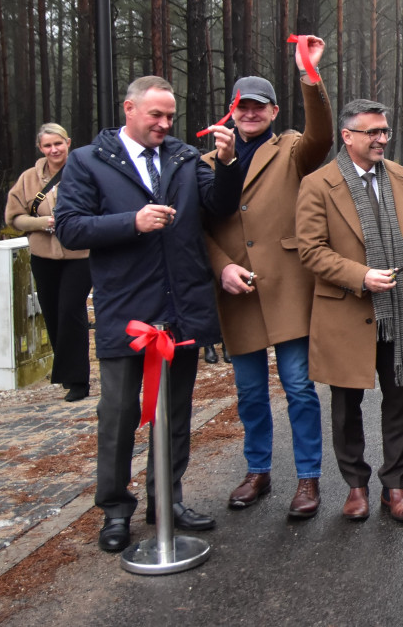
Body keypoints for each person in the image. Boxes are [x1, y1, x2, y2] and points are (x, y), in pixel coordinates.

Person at [54, 75, 242, 552]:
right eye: (155, 115)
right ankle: (116, 510)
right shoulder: (88, 161)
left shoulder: (182, 158)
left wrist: (225, 162)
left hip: (180, 309)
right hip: (126, 310)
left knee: (175, 413)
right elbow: (70, 229)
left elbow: (219, 206)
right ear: (129, 109)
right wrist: (131, 222)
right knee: (117, 413)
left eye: (170, 117)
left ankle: (167, 500)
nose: (164, 124)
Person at [295, 98, 403, 523]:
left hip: (399, 310)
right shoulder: (319, 184)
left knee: (402, 400)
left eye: (385, 131)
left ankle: (394, 487)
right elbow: (311, 251)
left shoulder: (401, 177)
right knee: (346, 406)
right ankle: (355, 487)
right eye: (372, 132)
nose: (382, 139)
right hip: (346, 312)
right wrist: (360, 276)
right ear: (347, 136)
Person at [201, 36, 333, 517]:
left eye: (260, 107)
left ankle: (308, 478)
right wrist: (222, 268)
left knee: (298, 386)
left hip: (288, 286)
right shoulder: (208, 161)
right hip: (238, 291)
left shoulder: (293, 148)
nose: (251, 114)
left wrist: (309, 74)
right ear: (231, 110)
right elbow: (201, 227)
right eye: (243, 106)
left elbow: (322, 134)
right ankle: (257, 470)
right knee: (250, 391)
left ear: (274, 112)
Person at [5, 123, 91, 403]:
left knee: (70, 310)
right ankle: (67, 374)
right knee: (52, 313)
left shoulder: (85, 170)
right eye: (47, 146)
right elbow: (14, 217)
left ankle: (78, 380)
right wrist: (41, 222)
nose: (54, 150)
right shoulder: (29, 178)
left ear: (68, 142)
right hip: (44, 256)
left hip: (80, 255)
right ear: (40, 148)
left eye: (58, 143)